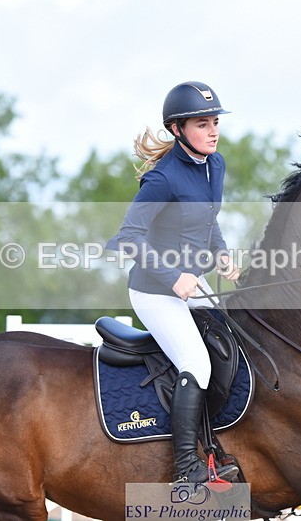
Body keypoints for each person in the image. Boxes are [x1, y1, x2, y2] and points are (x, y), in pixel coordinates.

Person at [107, 81, 240, 484]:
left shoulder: (214, 164)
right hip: (152, 290)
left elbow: (208, 219)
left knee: (231, 344)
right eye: (203, 124)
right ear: (178, 129)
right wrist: (171, 275)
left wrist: (220, 251)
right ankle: (185, 467)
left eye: (215, 122)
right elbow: (127, 238)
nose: (213, 131)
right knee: (196, 363)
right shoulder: (162, 179)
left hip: (190, 285)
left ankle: (215, 442)